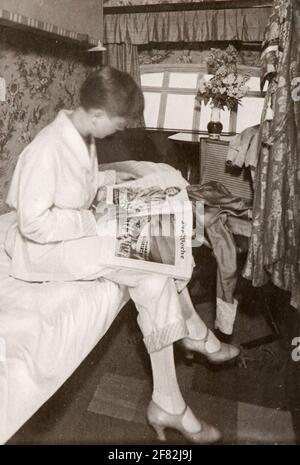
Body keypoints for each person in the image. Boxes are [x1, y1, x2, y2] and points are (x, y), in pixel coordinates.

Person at [4, 66, 239, 444]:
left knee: (154, 263)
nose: (118, 132)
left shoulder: (82, 135)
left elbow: (77, 182)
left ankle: (169, 398)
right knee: (148, 255)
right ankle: (190, 340)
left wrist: (110, 181)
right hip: (41, 252)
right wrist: (90, 223)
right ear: (97, 115)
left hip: (67, 236)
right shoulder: (45, 149)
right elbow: (32, 224)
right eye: (116, 124)